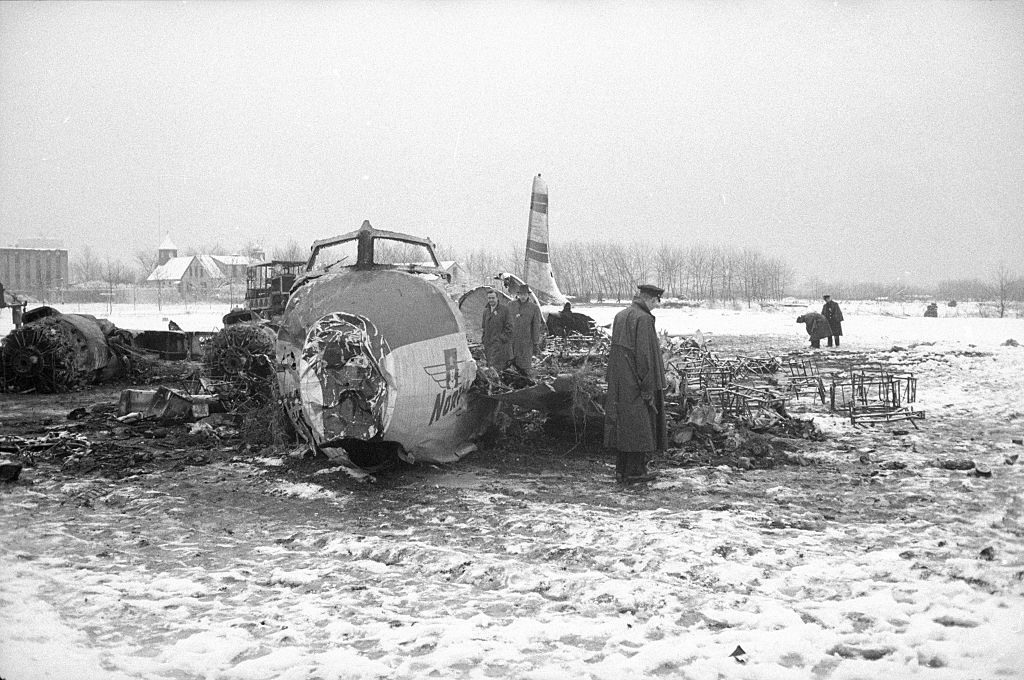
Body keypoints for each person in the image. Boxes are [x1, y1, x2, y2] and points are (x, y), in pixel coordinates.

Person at [604, 283, 667, 485]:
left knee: (624, 425)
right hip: (637, 382)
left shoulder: (620, 316)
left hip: (620, 381)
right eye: (657, 302)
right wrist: (648, 387)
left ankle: (621, 470)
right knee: (641, 426)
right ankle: (636, 471)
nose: (657, 306)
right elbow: (644, 356)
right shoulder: (644, 319)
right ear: (650, 299)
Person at [509, 283, 544, 377]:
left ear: (528, 295)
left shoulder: (534, 308)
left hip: (526, 341)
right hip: (513, 340)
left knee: (525, 365)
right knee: (511, 365)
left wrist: (535, 342)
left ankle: (527, 382)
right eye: (521, 294)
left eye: (525, 294)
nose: (523, 297)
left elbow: (536, 326)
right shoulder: (511, 305)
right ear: (518, 295)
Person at [480, 288, 513, 368]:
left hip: (501, 347)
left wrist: (500, 339)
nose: (491, 300)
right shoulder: (486, 311)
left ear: (497, 298)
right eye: (489, 298)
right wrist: (483, 340)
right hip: (489, 346)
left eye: (493, 298)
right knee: (491, 368)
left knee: (499, 369)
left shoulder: (504, 310)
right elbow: (484, 327)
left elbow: (509, 328)